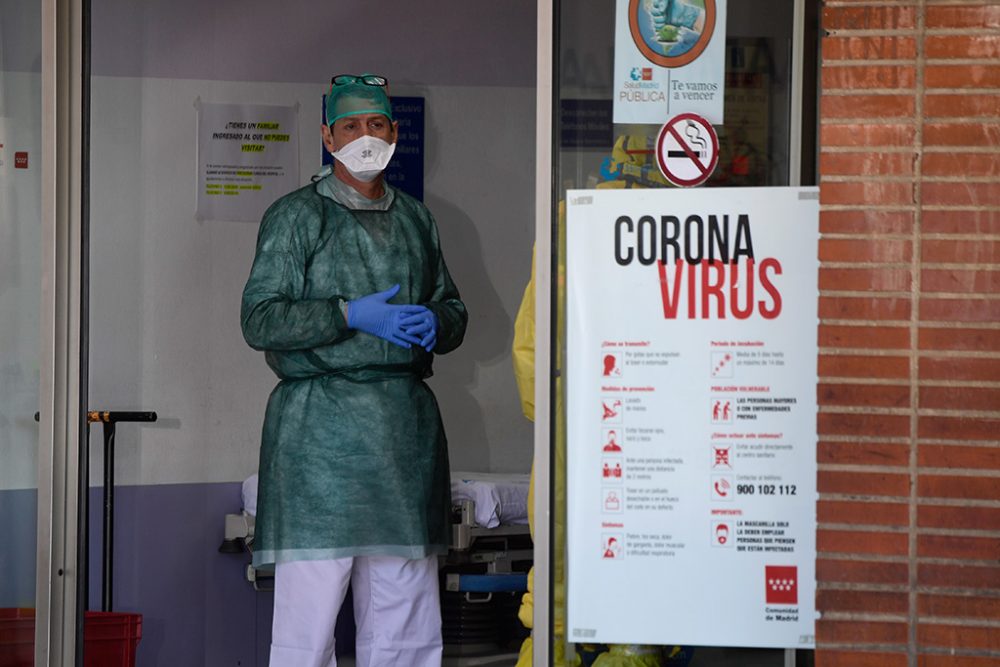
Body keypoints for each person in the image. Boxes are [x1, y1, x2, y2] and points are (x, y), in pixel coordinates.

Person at [241, 73, 467, 667]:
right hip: (320, 438)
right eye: (350, 125)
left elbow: (454, 308)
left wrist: (435, 324)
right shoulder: (295, 217)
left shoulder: (417, 219)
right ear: (326, 135)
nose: (365, 136)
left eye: (376, 124)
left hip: (402, 436)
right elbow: (260, 319)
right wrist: (346, 314)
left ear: (395, 132)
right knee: (308, 621)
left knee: (407, 615)